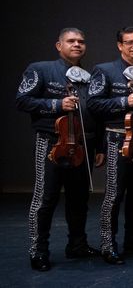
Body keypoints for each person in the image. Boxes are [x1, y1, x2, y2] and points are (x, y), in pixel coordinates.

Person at [16, 28, 102, 271]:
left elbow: (95, 113)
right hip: (52, 142)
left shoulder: (89, 76)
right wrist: (56, 104)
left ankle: (77, 245)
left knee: (79, 199)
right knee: (45, 199)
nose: (77, 45)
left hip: (83, 144)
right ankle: (38, 251)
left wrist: (99, 145)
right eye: (71, 41)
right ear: (58, 45)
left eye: (81, 41)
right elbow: (22, 100)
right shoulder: (40, 69)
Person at [88, 26, 133, 265]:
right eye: (129, 42)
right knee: (114, 194)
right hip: (117, 138)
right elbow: (93, 104)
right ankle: (108, 244)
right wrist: (122, 101)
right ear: (120, 45)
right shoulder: (104, 71)